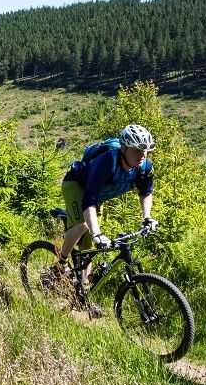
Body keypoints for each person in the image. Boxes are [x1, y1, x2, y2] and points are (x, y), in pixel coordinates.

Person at [57, 124, 159, 300]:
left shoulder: (143, 167)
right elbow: (89, 200)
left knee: (87, 243)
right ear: (125, 148)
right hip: (75, 184)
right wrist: (97, 234)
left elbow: (145, 193)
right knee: (84, 225)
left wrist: (147, 217)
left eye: (145, 150)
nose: (142, 155)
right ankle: (60, 264)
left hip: (97, 197)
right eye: (137, 150)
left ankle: (83, 292)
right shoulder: (107, 161)